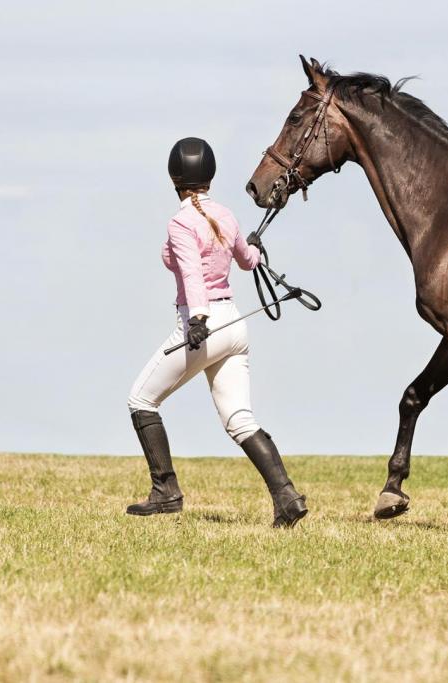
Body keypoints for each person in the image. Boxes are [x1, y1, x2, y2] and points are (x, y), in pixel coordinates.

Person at [125, 137, 307, 528]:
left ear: (174, 176)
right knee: (240, 419)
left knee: (140, 399)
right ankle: (287, 497)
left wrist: (197, 319)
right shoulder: (225, 214)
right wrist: (255, 249)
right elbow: (246, 260)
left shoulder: (180, 222)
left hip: (203, 325)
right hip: (235, 325)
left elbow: (190, 273)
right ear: (210, 175)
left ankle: (166, 492)